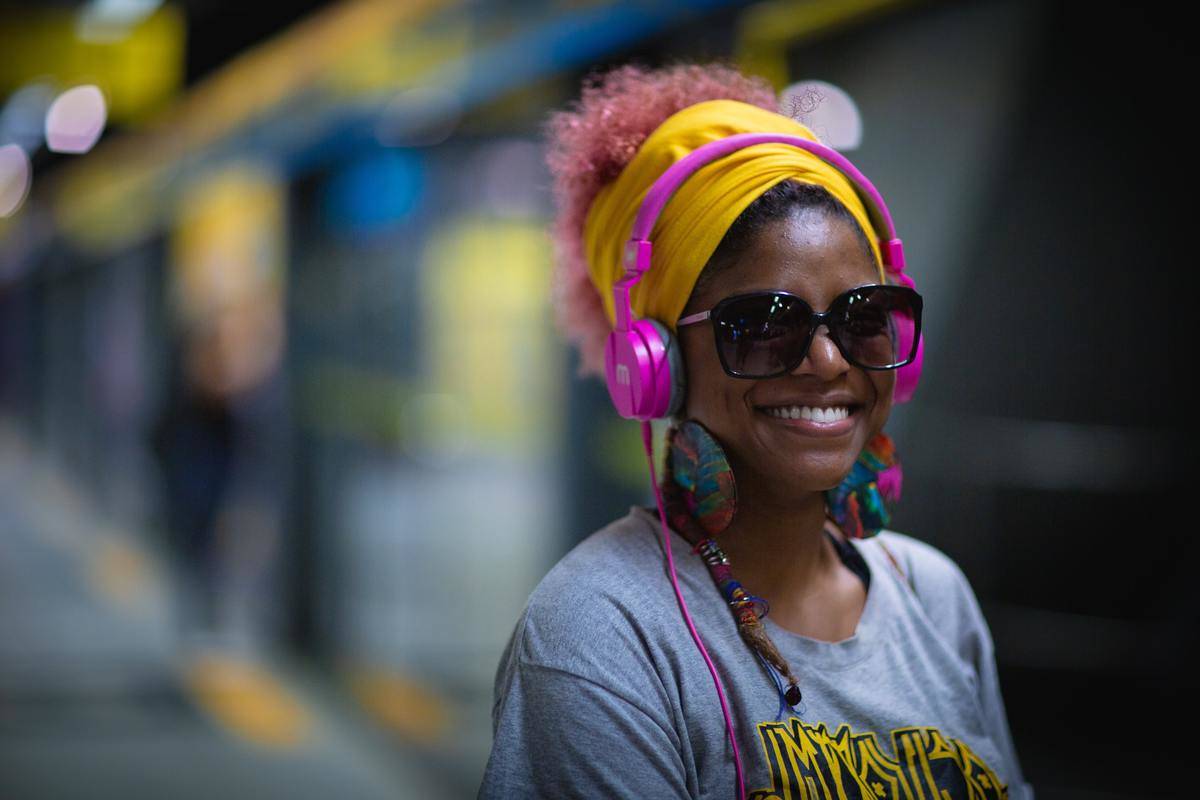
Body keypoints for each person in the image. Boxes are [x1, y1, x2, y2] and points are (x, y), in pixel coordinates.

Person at [479, 61, 1032, 800]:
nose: (830, 360)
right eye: (766, 324)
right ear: (658, 363)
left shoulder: (934, 594)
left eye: (864, 316)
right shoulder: (599, 634)